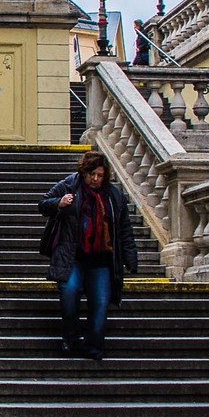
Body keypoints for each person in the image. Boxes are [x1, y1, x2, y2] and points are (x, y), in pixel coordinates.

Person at [38, 149, 138, 360]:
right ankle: (71, 338)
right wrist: (59, 203)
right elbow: (43, 204)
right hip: (72, 255)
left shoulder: (114, 196)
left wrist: (130, 258)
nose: (95, 179)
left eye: (100, 175)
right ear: (83, 172)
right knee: (69, 293)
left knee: (100, 302)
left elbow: (124, 229)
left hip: (101, 259)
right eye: (91, 174)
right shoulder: (68, 186)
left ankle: (93, 347)